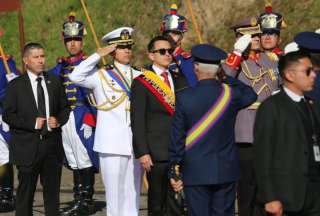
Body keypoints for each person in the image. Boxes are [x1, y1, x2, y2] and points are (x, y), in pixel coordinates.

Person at [169, 44, 257, 216]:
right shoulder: (231, 95)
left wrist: (174, 167)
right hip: (226, 170)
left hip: (195, 171)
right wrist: (226, 78)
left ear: (195, 67)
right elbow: (251, 94)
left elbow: (177, 137)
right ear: (218, 69)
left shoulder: (184, 97)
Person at [70, 27, 142, 216]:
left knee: (133, 193)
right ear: (112, 51)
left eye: (129, 47)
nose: (127, 51)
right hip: (111, 144)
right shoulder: (100, 75)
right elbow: (75, 76)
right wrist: (97, 55)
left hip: (134, 143)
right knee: (114, 195)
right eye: (121, 47)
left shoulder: (139, 75)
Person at [3, 42, 70, 216]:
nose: (41, 61)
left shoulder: (54, 81)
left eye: (42, 56)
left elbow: (65, 108)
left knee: (52, 196)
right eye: (36, 57)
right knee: (25, 196)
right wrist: (32, 123)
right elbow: (8, 116)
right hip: (27, 148)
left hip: (51, 147)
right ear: (26, 60)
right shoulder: (16, 86)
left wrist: (59, 120)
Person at [222, 17, 280, 216]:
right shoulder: (234, 62)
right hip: (245, 131)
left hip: (269, 131)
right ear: (240, 37)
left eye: (257, 34)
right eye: (251, 35)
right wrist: (237, 52)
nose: (257, 38)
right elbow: (225, 77)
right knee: (246, 188)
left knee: (265, 188)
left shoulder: (270, 60)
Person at [254, 51, 320, 216]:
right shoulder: (271, 107)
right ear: (290, 75)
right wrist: (269, 197)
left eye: (314, 71)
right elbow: (263, 155)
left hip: (313, 195)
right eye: (308, 71)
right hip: (287, 197)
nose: (313, 75)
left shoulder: (311, 105)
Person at [131, 35, 187, 216]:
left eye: (170, 50)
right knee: (157, 203)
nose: (167, 54)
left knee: (177, 203)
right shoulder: (142, 82)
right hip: (155, 153)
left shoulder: (179, 79)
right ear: (151, 55)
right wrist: (142, 152)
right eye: (162, 51)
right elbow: (137, 120)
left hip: (178, 149)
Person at [49, 12, 98, 216]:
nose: (72, 44)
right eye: (69, 40)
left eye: (76, 39)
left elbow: (97, 95)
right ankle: (78, 198)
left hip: (82, 114)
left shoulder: (90, 65)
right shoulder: (60, 66)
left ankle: (86, 199)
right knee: (73, 158)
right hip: (65, 117)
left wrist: (91, 118)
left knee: (85, 158)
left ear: (82, 40)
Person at [0, 49, 19, 212]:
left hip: (2, 115)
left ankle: (7, 195)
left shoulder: (5, 62)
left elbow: (17, 88)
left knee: (5, 155)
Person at [160, 4, 198, 88]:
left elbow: (192, 87)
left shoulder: (188, 61)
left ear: (181, 36)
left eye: (174, 34)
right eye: (166, 33)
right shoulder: (157, 58)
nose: (169, 37)